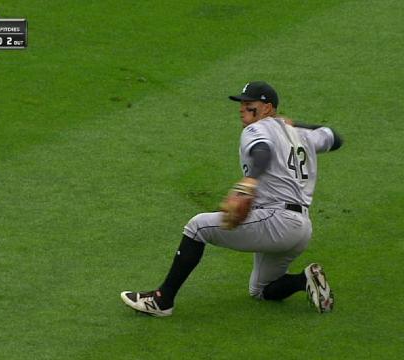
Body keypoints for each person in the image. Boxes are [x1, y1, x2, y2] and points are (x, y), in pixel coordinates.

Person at [120, 81, 343, 317]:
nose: (242, 108)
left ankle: (162, 300)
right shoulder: (300, 135)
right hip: (301, 229)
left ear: (267, 108)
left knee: (197, 227)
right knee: (260, 289)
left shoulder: (256, 129)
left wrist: (251, 180)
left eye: (249, 104)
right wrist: (294, 124)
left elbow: (263, 151)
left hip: (276, 220)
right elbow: (334, 138)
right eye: (241, 103)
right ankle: (304, 280)